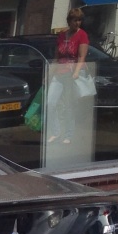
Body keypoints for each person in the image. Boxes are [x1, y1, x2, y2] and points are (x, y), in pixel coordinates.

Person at [47, 8, 90, 145]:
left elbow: (81, 57)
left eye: (79, 20)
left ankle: (69, 134)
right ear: (69, 21)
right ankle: (56, 131)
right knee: (51, 103)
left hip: (72, 74)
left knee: (69, 105)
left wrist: (76, 72)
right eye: (75, 20)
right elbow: (56, 57)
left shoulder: (82, 35)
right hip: (60, 72)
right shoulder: (62, 35)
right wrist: (49, 74)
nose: (77, 23)